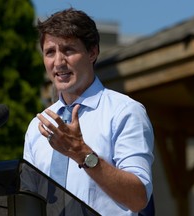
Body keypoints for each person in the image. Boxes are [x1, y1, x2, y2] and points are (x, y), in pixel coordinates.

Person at [23, 8, 154, 216]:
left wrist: (81, 153)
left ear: (92, 52)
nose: (58, 62)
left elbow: (138, 199)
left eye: (68, 50)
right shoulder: (37, 126)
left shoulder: (125, 112)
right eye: (50, 52)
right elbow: (26, 202)